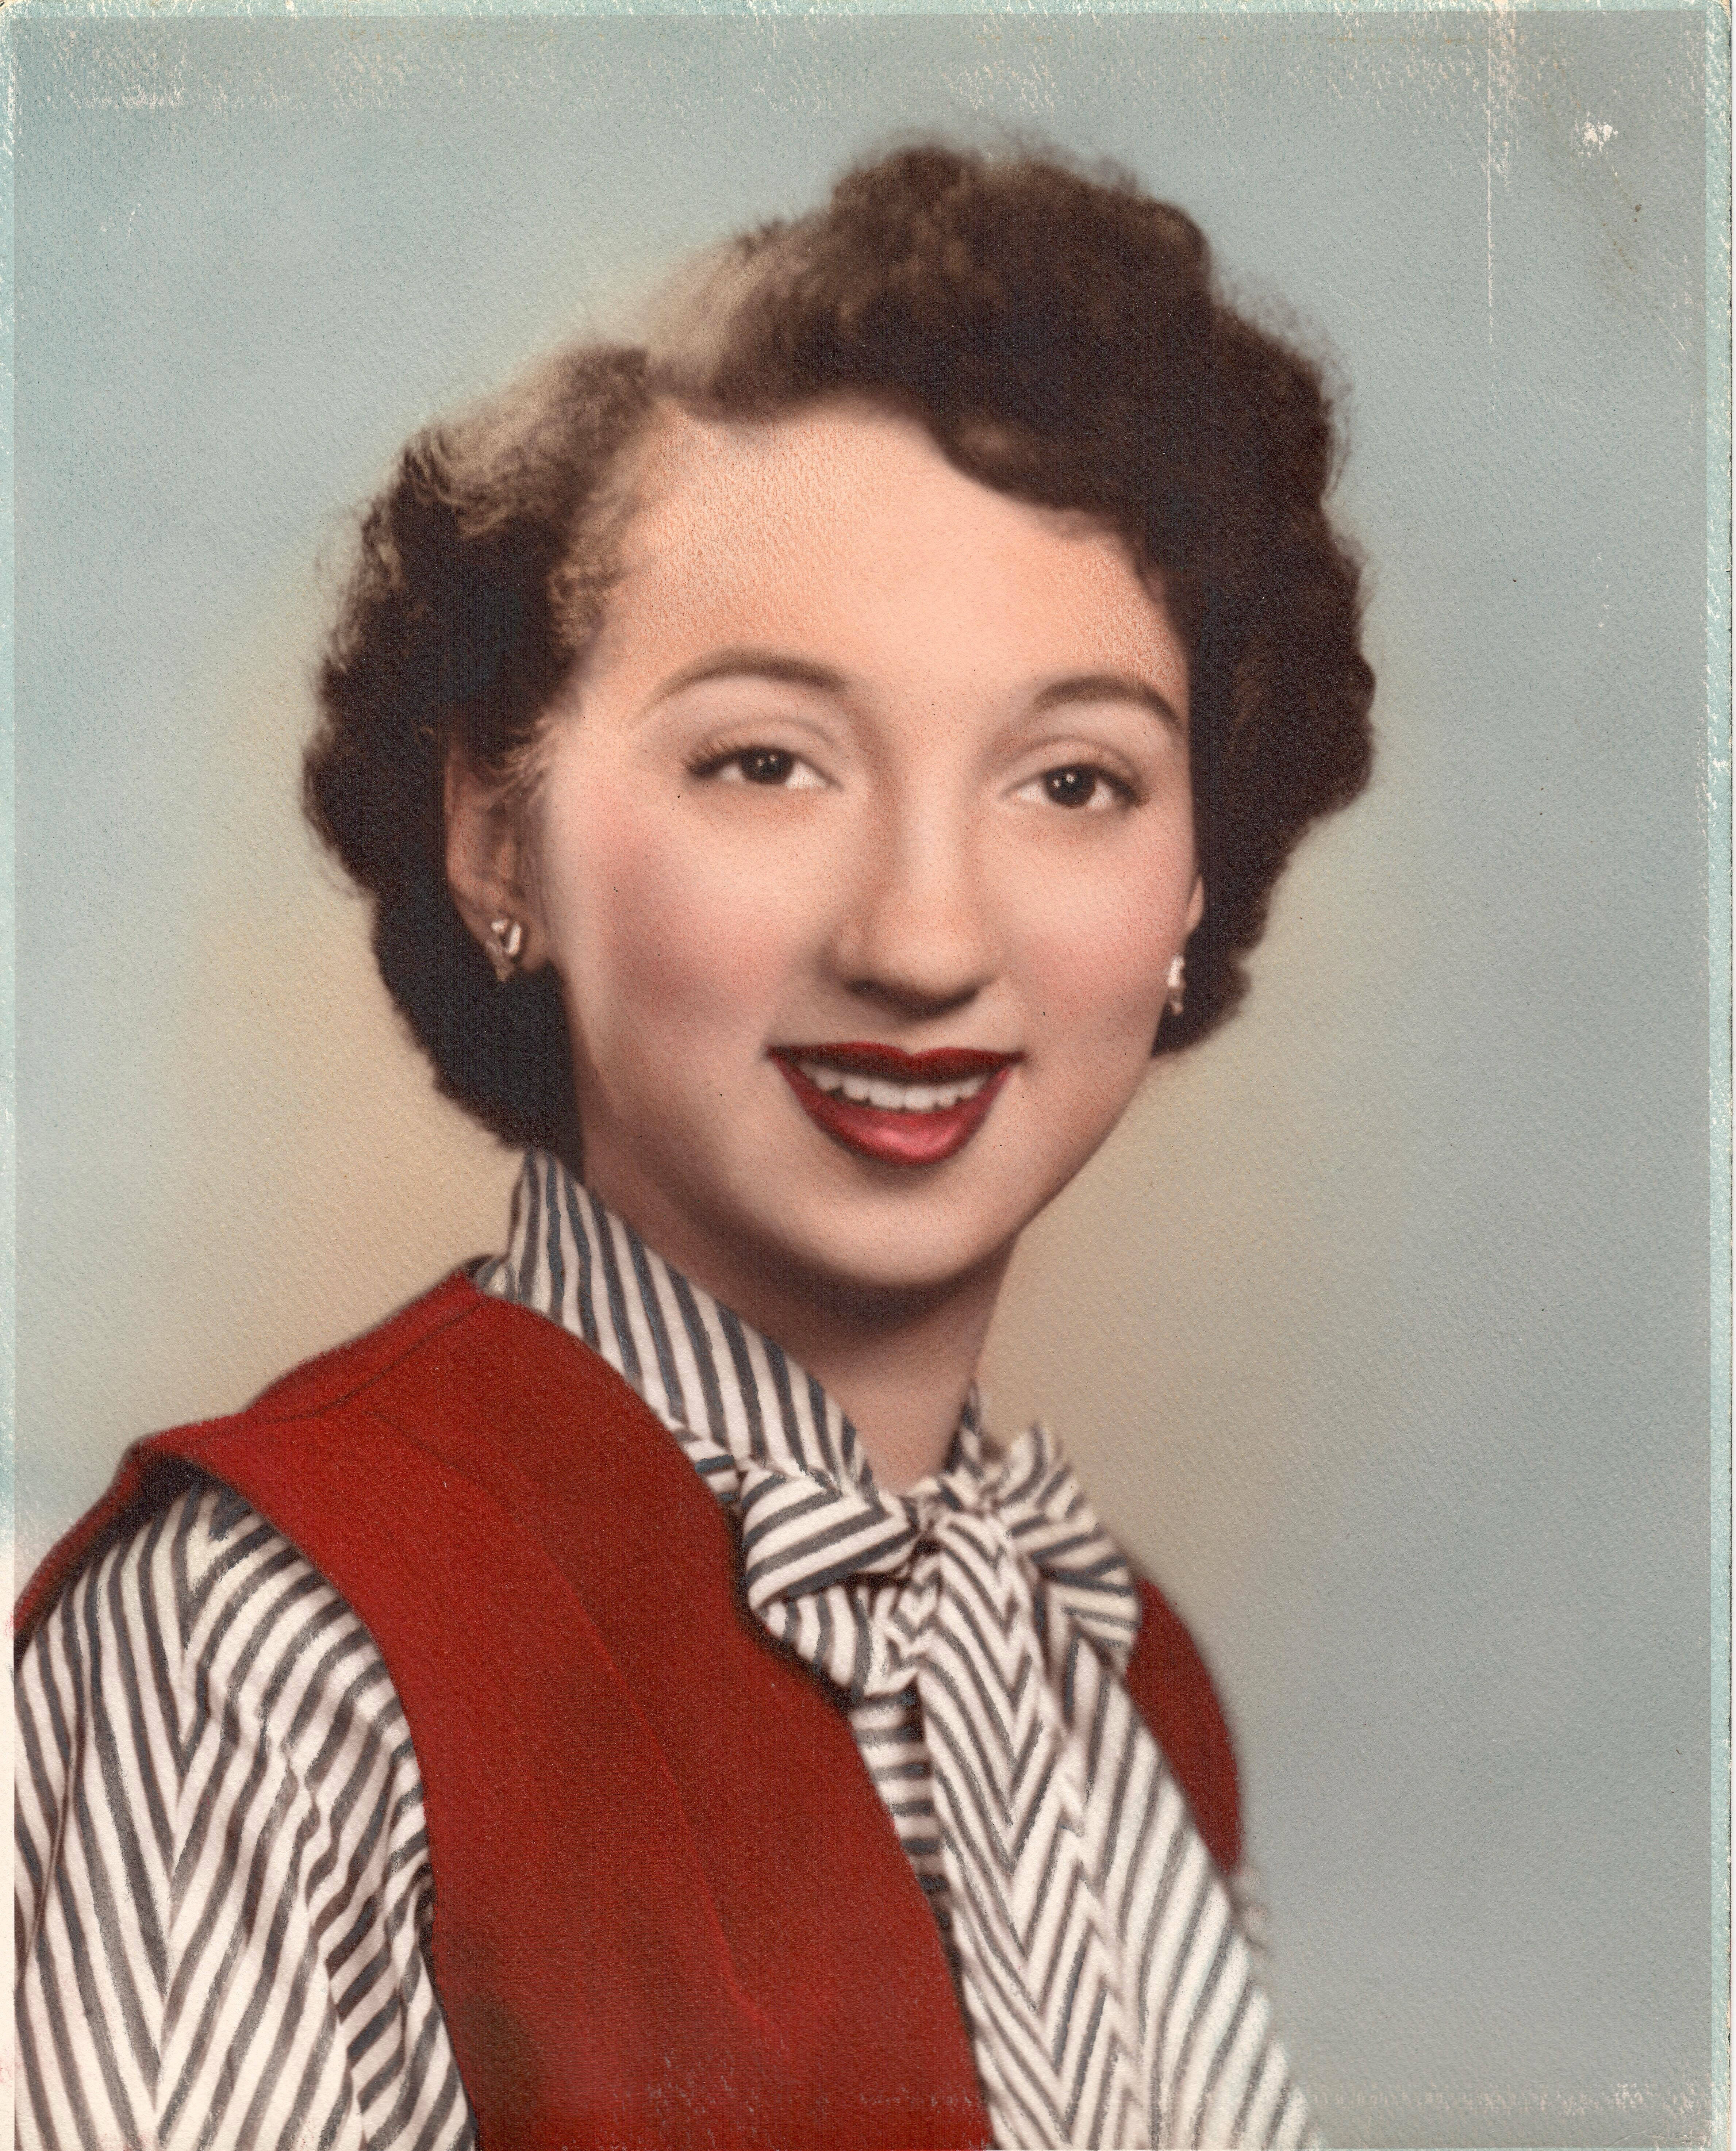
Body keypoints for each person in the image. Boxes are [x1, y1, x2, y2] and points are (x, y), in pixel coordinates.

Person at [13, 144, 1373, 2151]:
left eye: (1075, 779)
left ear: (1193, 880)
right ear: (501, 840)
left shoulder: (1114, 1676)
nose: (922, 939)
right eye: (766, 761)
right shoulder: (270, 1646)